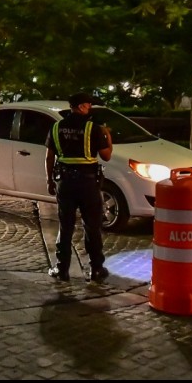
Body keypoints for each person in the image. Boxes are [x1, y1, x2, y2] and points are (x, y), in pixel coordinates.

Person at [45, 92, 113, 283]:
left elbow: (49, 157)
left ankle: (62, 269)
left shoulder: (56, 127)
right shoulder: (94, 128)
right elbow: (106, 156)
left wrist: (49, 180)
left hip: (65, 183)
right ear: (81, 106)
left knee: (65, 225)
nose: (90, 108)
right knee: (92, 226)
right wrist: (107, 135)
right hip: (88, 183)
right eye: (88, 105)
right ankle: (96, 269)